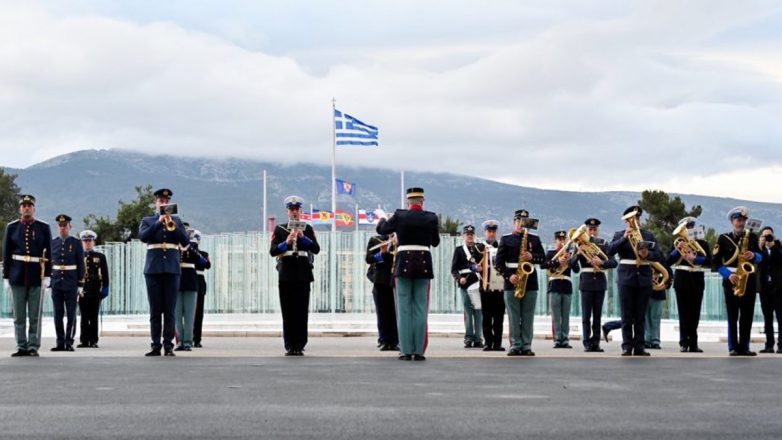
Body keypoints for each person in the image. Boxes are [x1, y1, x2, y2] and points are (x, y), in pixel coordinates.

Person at [376, 187, 440, 361]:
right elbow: (435, 242)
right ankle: (418, 350)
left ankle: (405, 350)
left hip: (403, 263)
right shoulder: (431, 218)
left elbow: (381, 230)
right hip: (424, 264)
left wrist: (383, 218)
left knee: (403, 309)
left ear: (408, 202)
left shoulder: (399, 215)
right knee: (420, 309)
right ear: (422, 201)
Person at [606, 205, 664, 357]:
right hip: (626, 276)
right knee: (627, 314)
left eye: (637, 218)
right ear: (626, 221)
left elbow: (658, 255)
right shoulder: (619, 234)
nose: (635, 221)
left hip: (644, 276)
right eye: (632, 219)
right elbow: (610, 251)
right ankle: (627, 346)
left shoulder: (648, 235)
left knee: (640, 314)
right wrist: (624, 238)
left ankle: (639, 346)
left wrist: (647, 254)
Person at [138, 188, 190, 357]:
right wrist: (159, 221)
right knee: (155, 310)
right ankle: (155, 345)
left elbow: (185, 241)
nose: (164, 203)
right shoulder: (147, 220)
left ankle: (168, 345)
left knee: (169, 309)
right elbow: (144, 237)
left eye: (166, 202)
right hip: (153, 269)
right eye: (161, 201)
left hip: (172, 269)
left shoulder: (177, 221)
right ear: (156, 202)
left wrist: (172, 225)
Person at [269, 195, 320, 356]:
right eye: (292, 210)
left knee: (301, 310)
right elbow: (273, 251)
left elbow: (316, 249)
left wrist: (302, 238)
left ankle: (300, 343)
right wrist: (287, 241)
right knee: (288, 310)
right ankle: (290, 344)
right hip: (286, 273)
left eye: (297, 209)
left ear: (300, 211)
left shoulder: (308, 228)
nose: (294, 212)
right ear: (287, 211)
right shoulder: (280, 229)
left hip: (303, 272)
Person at [3, 194, 52, 357]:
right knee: (19, 315)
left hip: (36, 275)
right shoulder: (12, 227)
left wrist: (47, 276)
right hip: (17, 275)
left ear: (34, 208)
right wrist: (6, 276)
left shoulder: (43, 227)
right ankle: (21, 345)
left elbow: (49, 252)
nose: (26, 208)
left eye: (29, 205)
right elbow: (6, 252)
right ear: (20, 209)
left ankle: (33, 346)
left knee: (35, 315)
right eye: (23, 206)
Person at [712, 206, 763, 356]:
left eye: (743, 220)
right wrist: (727, 274)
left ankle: (745, 346)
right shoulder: (723, 239)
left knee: (747, 315)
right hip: (731, 280)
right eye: (738, 220)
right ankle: (733, 347)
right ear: (732, 222)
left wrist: (753, 255)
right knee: (732, 315)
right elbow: (715, 263)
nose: (741, 223)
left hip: (749, 279)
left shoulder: (752, 237)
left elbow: (761, 257)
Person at [495, 209, 546, 357]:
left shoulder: (534, 239)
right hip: (512, 280)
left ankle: (527, 345)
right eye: (518, 221)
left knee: (528, 315)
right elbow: (498, 263)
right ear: (514, 222)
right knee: (514, 315)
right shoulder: (506, 239)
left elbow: (542, 258)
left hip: (530, 281)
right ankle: (515, 344)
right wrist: (508, 276)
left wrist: (532, 256)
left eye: (524, 222)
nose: (520, 224)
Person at [570, 218, 617, 352]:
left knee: (597, 316)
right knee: (586, 316)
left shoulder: (603, 244)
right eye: (590, 229)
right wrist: (578, 253)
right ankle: (586, 342)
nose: (592, 232)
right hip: (586, 282)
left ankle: (596, 342)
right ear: (586, 230)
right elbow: (572, 266)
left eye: (594, 229)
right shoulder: (578, 245)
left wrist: (601, 263)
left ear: (598, 230)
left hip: (600, 282)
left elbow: (614, 263)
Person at [666, 217, 711, 353]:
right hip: (682, 278)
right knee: (683, 313)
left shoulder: (702, 243)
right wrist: (676, 250)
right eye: (687, 228)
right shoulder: (678, 243)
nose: (689, 230)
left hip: (697, 278)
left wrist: (695, 259)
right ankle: (684, 342)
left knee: (695, 313)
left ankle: (694, 343)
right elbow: (667, 261)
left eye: (691, 227)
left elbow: (709, 261)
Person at [49, 214, 85, 352]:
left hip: (71, 282)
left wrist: (80, 284)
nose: (62, 228)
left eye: (65, 225)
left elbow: (81, 264)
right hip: (57, 282)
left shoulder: (75, 243)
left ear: (69, 227)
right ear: (57, 227)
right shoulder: (53, 242)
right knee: (57, 313)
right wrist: (49, 281)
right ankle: (60, 342)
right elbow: (50, 263)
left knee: (71, 314)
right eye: (60, 225)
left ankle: (69, 342)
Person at [451, 224, 484, 348]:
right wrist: (460, 278)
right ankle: (469, 338)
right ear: (463, 236)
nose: (470, 236)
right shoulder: (459, 250)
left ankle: (478, 338)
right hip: (465, 284)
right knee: (468, 311)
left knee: (478, 311)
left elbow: (484, 267)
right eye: (467, 234)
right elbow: (454, 269)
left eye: (471, 234)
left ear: (474, 235)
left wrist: (480, 269)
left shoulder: (480, 249)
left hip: (477, 283)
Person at [365, 233, 399, 352]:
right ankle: (384, 340)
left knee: (395, 313)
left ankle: (395, 341)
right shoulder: (375, 240)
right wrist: (382, 253)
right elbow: (368, 259)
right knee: (382, 313)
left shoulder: (400, 240)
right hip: (380, 281)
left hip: (396, 281)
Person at [77, 230, 109, 348]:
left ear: (93, 242)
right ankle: (84, 340)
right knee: (84, 316)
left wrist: (105, 288)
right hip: (83, 290)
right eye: (85, 241)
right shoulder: (79, 256)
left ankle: (94, 340)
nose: (87, 243)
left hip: (96, 290)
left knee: (94, 316)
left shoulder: (100, 257)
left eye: (89, 241)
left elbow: (105, 273)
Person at [175, 229, 204, 351]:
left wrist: (189, 246)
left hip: (191, 281)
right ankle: (180, 341)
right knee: (176, 315)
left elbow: (201, 260)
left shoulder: (192, 247)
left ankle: (187, 341)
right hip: (176, 280)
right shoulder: (174, 248)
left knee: (189, 315)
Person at [544, 230, 574, 349]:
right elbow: (543, 265)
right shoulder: (551, 253)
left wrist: (571, 259)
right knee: (556, 315)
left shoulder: (570, 254)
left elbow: (576, 269)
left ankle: (565, 339)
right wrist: (557, 261)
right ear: (555, 240)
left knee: (566, 315)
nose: (562, 242)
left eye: (563, 239)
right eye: (559, 240)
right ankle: (557, 339)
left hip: (566, 285)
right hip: (554, 285)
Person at [479, 220, 505, 352]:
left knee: (499, 317)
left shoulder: (501, 247)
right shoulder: (479, 248)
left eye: (493, 231)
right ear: (485, 232)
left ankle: (498, 343)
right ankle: (488, 342)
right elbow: (471, 263)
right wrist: (475, 267)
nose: (491, 234)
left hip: (500, 288)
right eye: (489, 231)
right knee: (487, 316)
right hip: (485, 288)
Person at [758, 226, 782, 353]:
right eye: (764, 236)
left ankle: (781, 345)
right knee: (767, 319)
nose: (767, 238)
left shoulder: (778, 247)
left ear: (773, 236)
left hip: (778, 289)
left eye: (769, 236)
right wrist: (761, 247)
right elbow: (760, 264)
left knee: (780, 317)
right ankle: (769, 345)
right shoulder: (759, 250)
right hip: (765, 289)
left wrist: (773, 246)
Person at [192, 230, 211, 348]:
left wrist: (197, 254)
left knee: (198, 313)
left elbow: (207, 265)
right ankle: (185, 338)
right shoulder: (184, 252)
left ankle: (197, 339)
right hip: (188, 280)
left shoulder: (203, 253)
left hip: (199, 281)